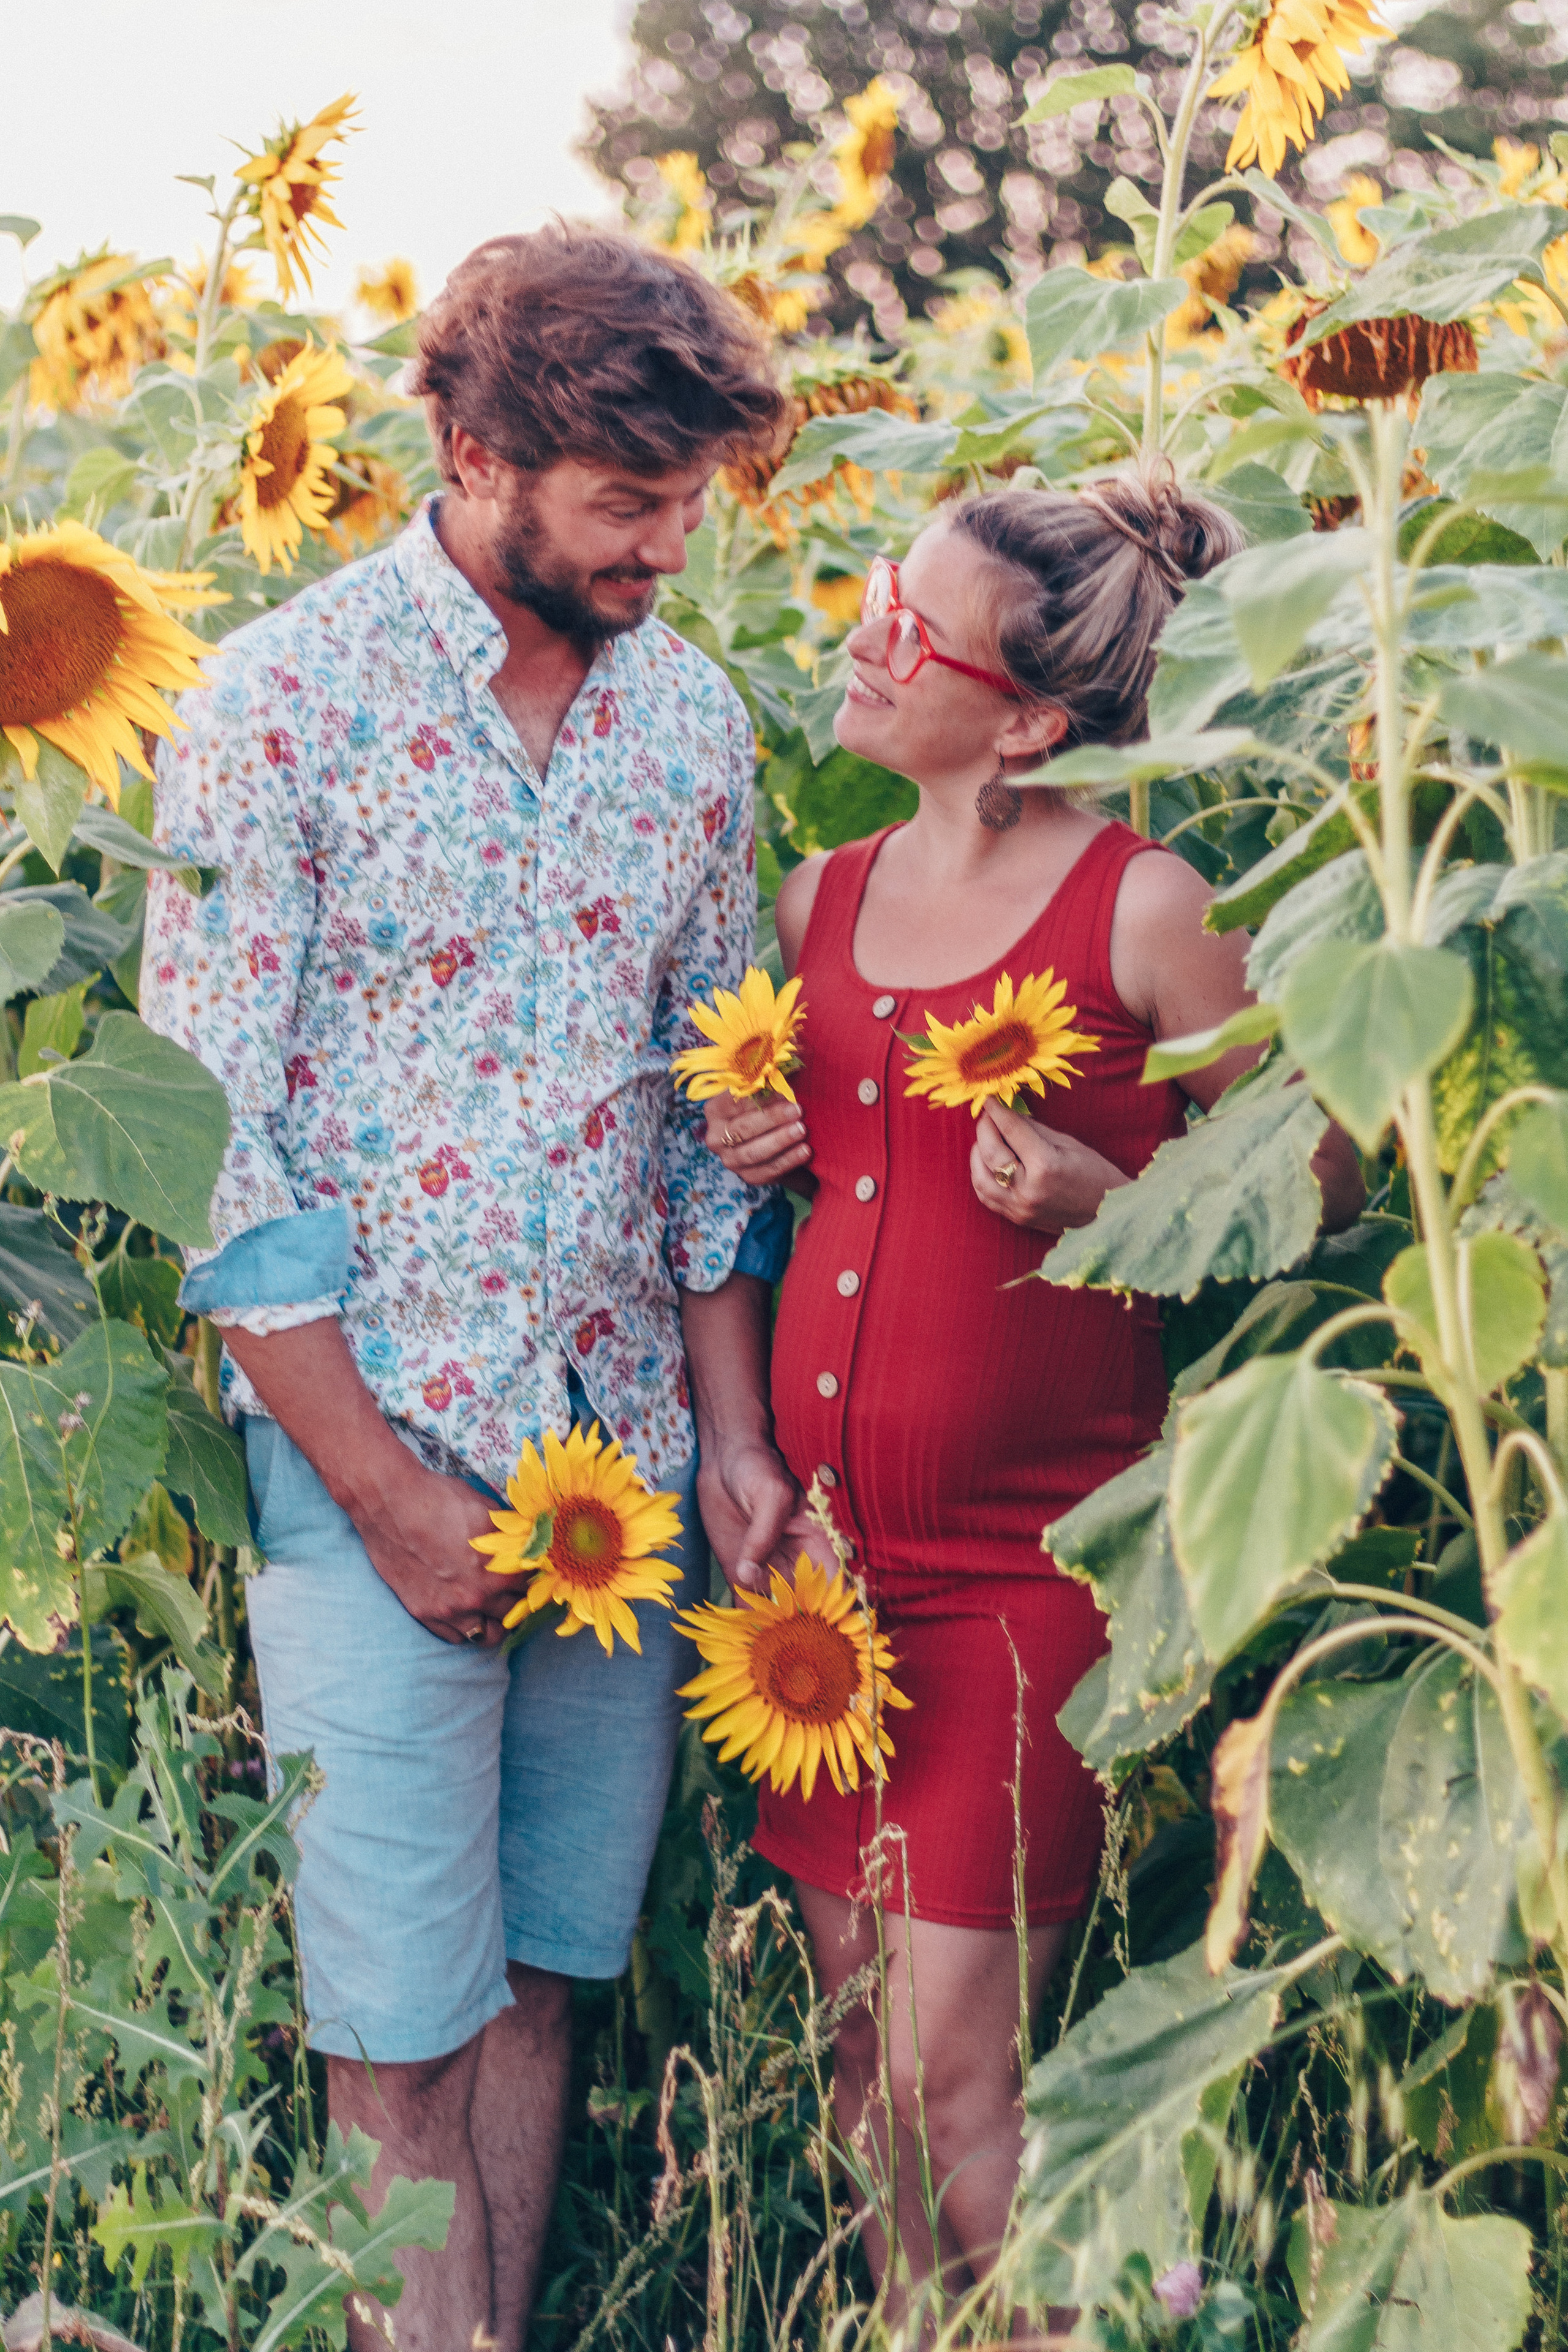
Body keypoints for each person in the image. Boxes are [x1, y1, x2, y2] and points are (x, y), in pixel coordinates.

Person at [141, 227, 817, 2352]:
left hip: (625, 1461)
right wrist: (383, 1493)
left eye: (689, 504)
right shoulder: (280, 703)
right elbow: (211, 1142)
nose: (668, 550)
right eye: (628, 504)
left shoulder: (689, 719)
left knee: (542, 1989)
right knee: (395, 2028)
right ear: (474, 455)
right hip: (380, 1463)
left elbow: (709, 1111)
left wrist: (730, 1441)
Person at [704, 461, 1364, 2321]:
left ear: (1030, 724)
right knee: (867, 2080)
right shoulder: (817, 901)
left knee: (961, 2091)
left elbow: (1322, 1174)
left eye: (912, 629)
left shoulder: (1144, 907)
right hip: (823, 1578)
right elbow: (778, 1199)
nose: (866, 637)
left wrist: (1110, 1197)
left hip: (1028, 1574)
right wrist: (757, 1144)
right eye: (878, 593)